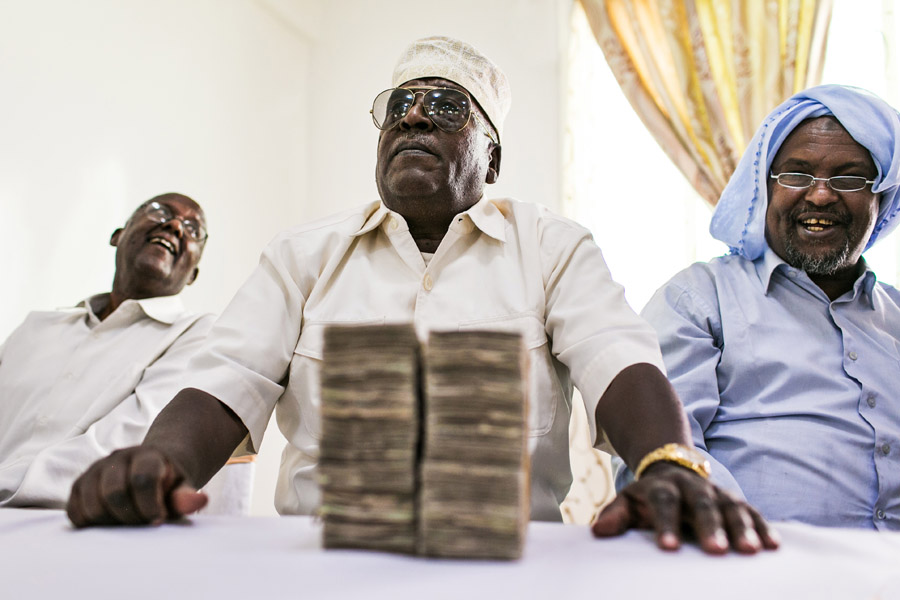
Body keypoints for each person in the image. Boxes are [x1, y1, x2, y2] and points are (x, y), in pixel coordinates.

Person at [66, 37, 777, 554]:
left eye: (443, 106)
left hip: (504, 569)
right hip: (318, 565)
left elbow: (617, 359)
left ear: (492, 157)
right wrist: (160, 459)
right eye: (398, 106)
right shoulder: (302, 255)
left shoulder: (553, 246)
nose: (412, 119)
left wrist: (667, 460)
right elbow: (228, 379)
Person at [637, 85, 900, 530]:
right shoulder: (700, 299)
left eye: (850, 178)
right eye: (796, 174)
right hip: (755, 571)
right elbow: (667, 452)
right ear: (765, 185)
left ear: (883, 196)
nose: (820, 196)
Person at [0, 193, 216, 508]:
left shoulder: (196, 334)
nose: (174, 226)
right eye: (159, 211)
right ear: (118, 235)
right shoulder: (35, 327)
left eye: (193, 229)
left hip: (73, 524)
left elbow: (122, 447)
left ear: (193, 272)